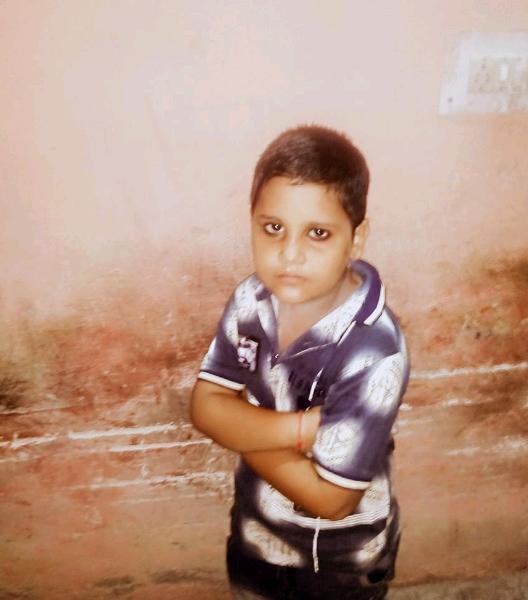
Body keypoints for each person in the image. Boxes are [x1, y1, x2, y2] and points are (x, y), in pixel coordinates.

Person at [190, 125, 410, 599]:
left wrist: (238, 430)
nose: (289, 254)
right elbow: (204, 407)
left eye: (318, 233)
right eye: (273, 228)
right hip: (255, 534)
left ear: (356, 239)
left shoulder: (374, 350)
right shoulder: (250, 301)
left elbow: (332, 499)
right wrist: (302, 430)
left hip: (340, 561)